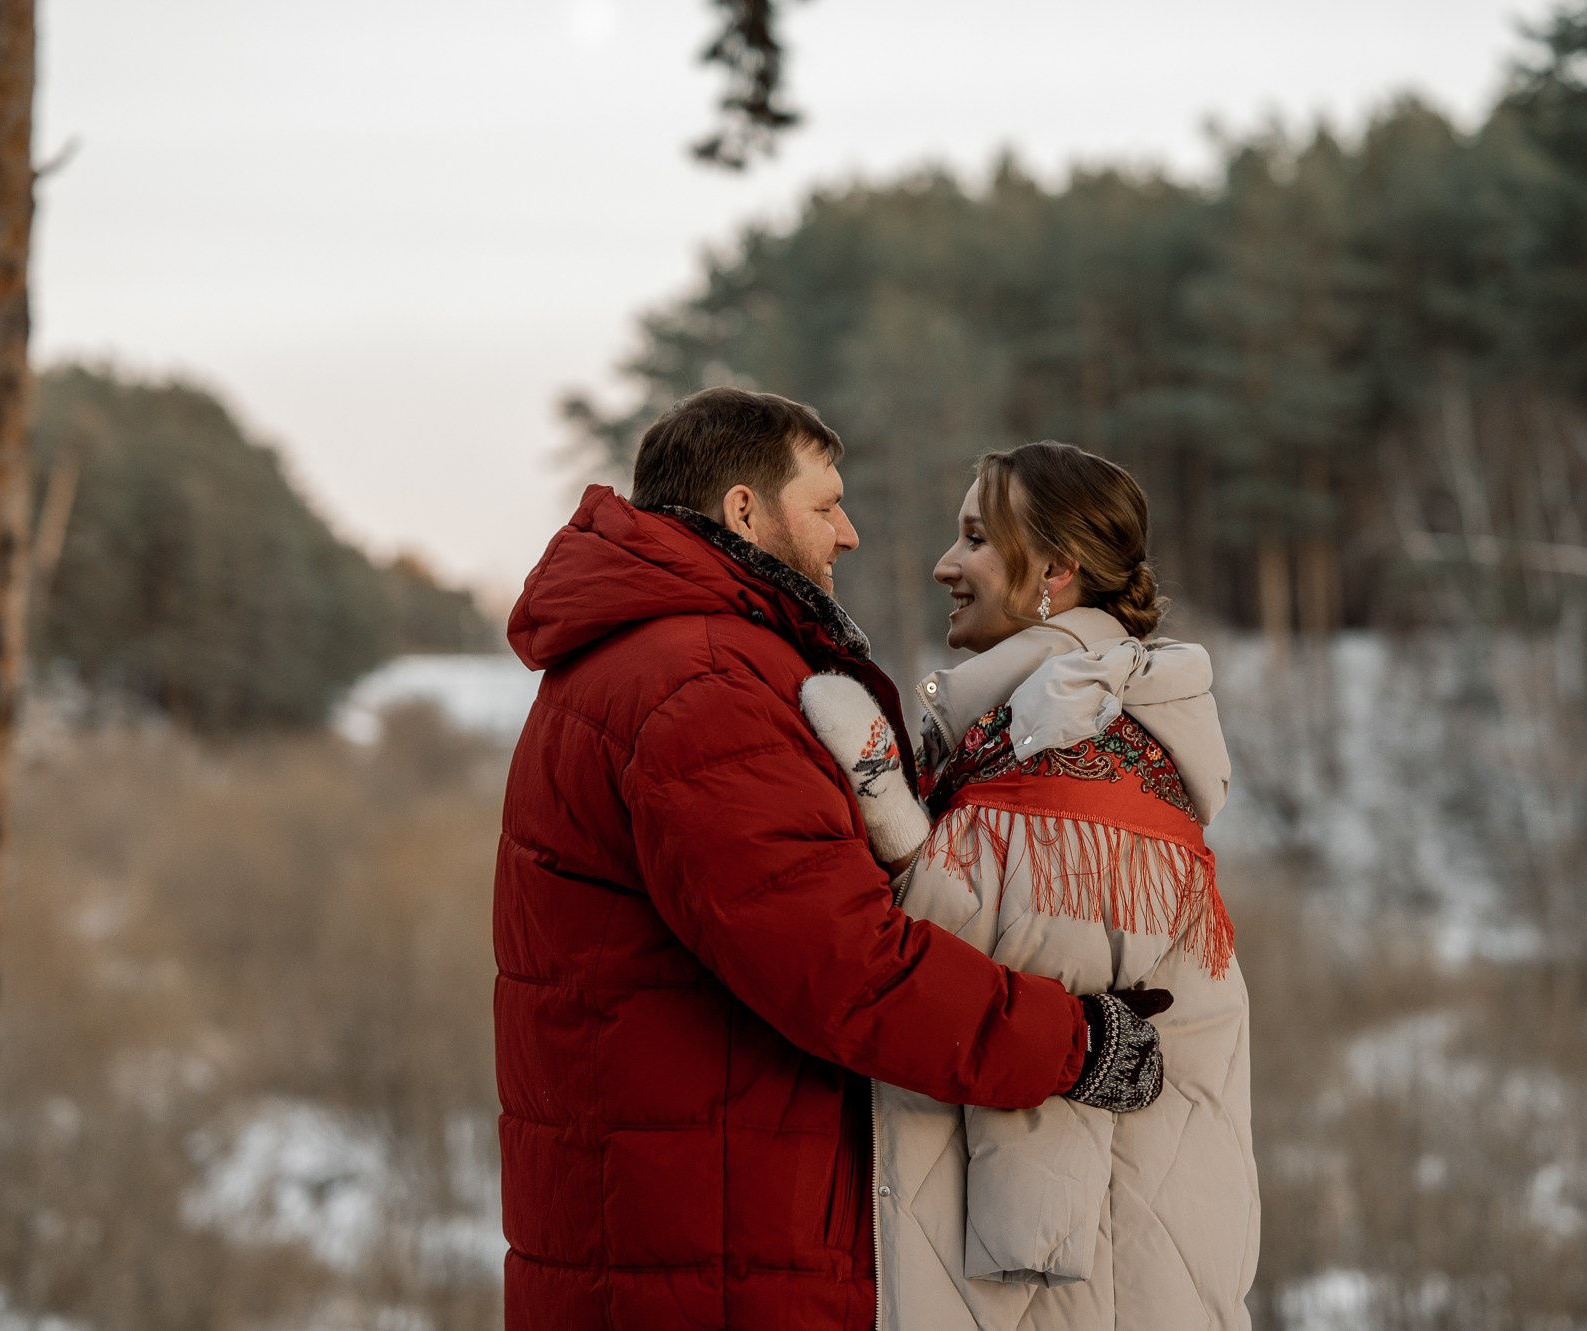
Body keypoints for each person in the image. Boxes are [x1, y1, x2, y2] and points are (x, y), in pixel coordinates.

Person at [495, 389, 1172, 1331]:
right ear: (744, 510)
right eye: (825, 506)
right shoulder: (701, 686)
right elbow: (844, 963)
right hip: (718, 1257)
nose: (849, 533)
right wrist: (1074, 1042)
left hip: (682, 1231)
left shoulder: (660, 661)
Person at [798, 441, 1258, 1330]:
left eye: (975, 537)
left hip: (1088, 1280)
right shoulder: (1035, 730)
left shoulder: (1085, 750)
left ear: (1055, 569)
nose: (945, 564)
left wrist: (884, 806)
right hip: (1083, 1264)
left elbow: (964, 985)